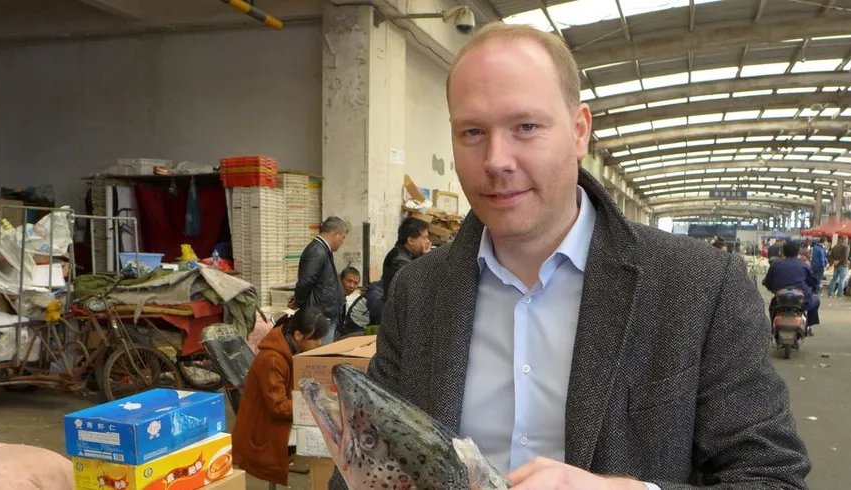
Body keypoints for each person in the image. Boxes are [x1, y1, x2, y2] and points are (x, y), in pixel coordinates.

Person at [331, 22, 809, 490]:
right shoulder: (419, 292)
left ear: (579, 132)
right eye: (473, 132)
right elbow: (364, 459)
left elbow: (771, 475)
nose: (497, 160)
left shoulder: (699, 286)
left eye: (526, 126)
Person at [233, 307, 330, 487]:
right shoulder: (272, 359)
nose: (320, 343)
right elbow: (278, 407)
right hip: (260, 428)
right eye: (316, 339)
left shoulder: (288, 346)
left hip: (272, 412)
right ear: (299, 335)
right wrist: (314, 407)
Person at [295, 216, 347, 344]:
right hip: (321, 315)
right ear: (335, 234)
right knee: (322, 356)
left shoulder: (323, 251)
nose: (343, 241)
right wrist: (300, 302)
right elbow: (306, 281)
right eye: (343, 237)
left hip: (326, 314)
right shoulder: (317, 251)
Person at [763, 241, 820, 336]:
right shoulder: (804, 265)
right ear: (798, 252)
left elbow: (768, 282)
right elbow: (814, 281)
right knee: (816, 301)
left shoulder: (775, 265)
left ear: (783, 252)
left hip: (780, 301)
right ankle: (808, 326)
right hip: (802, 301)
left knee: (772, 307)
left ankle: (773, 329)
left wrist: (772, 288)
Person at [381, 217, 431, 295]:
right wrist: (426, 259)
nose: (428, 241)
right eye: (424, 238)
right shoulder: (398, 259)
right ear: (410, 240)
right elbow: (418, 285)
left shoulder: (411, 254)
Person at [337, 266, 370, 338]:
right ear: (341, 279)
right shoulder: (334, 297)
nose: (352, 286)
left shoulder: (343, 298)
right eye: (349, 281)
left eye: (355, 283)